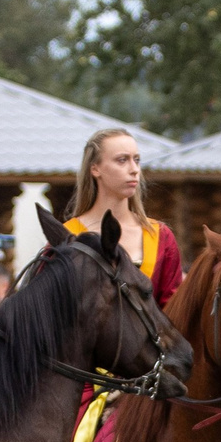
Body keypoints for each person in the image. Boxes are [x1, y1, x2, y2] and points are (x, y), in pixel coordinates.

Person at [63, 126, 184, 307]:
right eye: (122, 160)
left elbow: (175, 311)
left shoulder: (159, 236)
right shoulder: (67, 236)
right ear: (95, 169)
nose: (134, 169)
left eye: (137, 160)